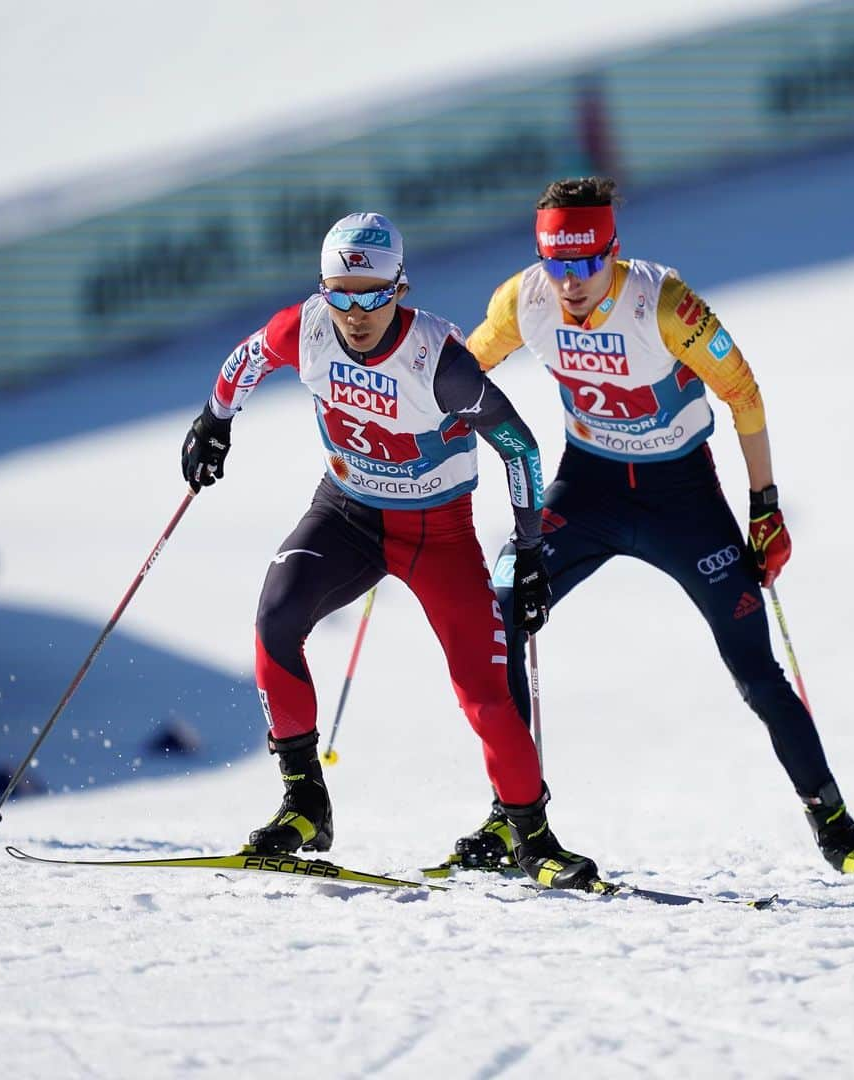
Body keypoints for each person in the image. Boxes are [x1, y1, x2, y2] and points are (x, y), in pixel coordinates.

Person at [451, 177, 854, 876]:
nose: (570, 283)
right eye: (557, 265)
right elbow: (464, 367)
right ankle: (513, 818)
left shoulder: (663, 303)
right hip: (588, 488)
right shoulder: (525, 298)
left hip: (681, 498)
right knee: (500, 612)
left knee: (754, 669)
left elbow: (743, 392)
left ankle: (839, 830)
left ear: (613, 251)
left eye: (586, 264)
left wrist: (765, 505)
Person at [181, 212, 598, 889]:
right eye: (339, 293)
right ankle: (305, 806)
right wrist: (214, 420)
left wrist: (529, 551)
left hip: (437, 533)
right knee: (275, 619)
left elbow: (519, 446)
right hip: (344, 512)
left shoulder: (441, 364)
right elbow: (247, 358)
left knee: (482, 693)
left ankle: (534, 838)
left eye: (372, 294)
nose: (354, 312)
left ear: (399, 289)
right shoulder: (308, 326)